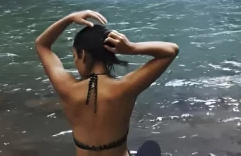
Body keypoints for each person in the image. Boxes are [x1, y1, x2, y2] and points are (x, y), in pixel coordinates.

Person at [35, 10, 179, 156]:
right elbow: (171, 50)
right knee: (151, 148)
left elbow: (42, 44)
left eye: (74, 56)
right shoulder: (126, 87)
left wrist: (69, 18)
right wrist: (131, 48)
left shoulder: (67, 89)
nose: (75, 62)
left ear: (82, 54)